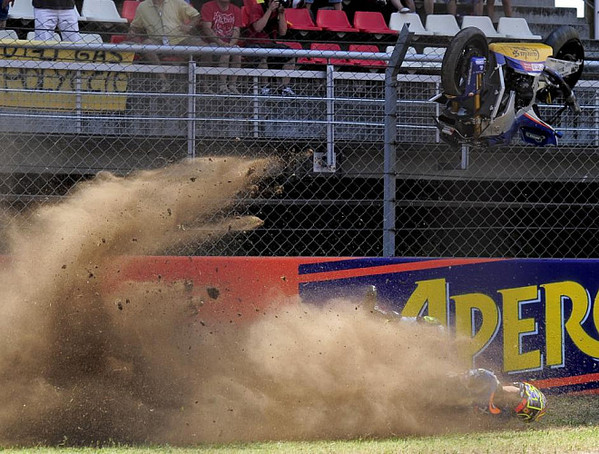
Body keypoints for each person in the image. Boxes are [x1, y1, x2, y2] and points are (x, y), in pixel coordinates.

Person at [128, 0, 206, 89]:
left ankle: (205, 83)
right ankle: (164, 81)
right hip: (158, 41)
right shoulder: (142, 6)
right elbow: (135, 26)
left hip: (180, 38)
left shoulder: (177, 1)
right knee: (147, 44)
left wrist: (189, 26)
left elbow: (196, 16)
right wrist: (132, 32)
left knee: (206, 48)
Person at [243, 0, 296, 96]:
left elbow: (283, 32)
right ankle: (264, 87)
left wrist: (281, 14)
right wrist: (269, 10)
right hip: (255, 43)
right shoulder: (257, 7)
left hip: (270, 44)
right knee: (262, 57)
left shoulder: (278, 11)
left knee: (290, 55)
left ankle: (284, 87)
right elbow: (258, 28)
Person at [459, 368, 547, 421]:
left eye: (515, 405)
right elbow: (459, 379)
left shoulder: (499, 417)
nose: (511, 399)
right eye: (517, 395)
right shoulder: (489, 378)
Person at [200, 0, 243, 94]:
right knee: (225, 53)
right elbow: (207, 29)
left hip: (228, 44)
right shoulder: (208, 6)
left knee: (237, 52)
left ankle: (232, 85)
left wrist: (231, 44)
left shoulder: (236, 10)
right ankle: (221, 86)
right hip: (212, 42)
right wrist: (221, 43)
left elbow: (236, 30)